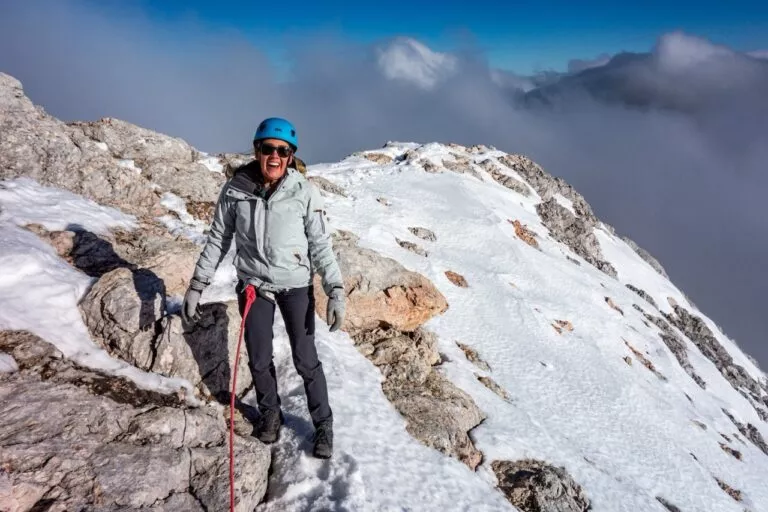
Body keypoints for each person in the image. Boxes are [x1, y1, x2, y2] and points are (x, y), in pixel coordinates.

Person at [181, 117, 345, 459]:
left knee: (305, 359)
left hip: (295, 286)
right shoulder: (235, 189)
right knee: (258, 356)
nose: (275, 156)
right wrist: (198, 284)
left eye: (282, 151)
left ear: (291, 156)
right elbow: (218, 239)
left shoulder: (303, 192)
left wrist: (335, 289)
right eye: (268, 149)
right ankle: (271, 412)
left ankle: (323, 424)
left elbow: (320, 244)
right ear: (257, 151)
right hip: (254, 284)